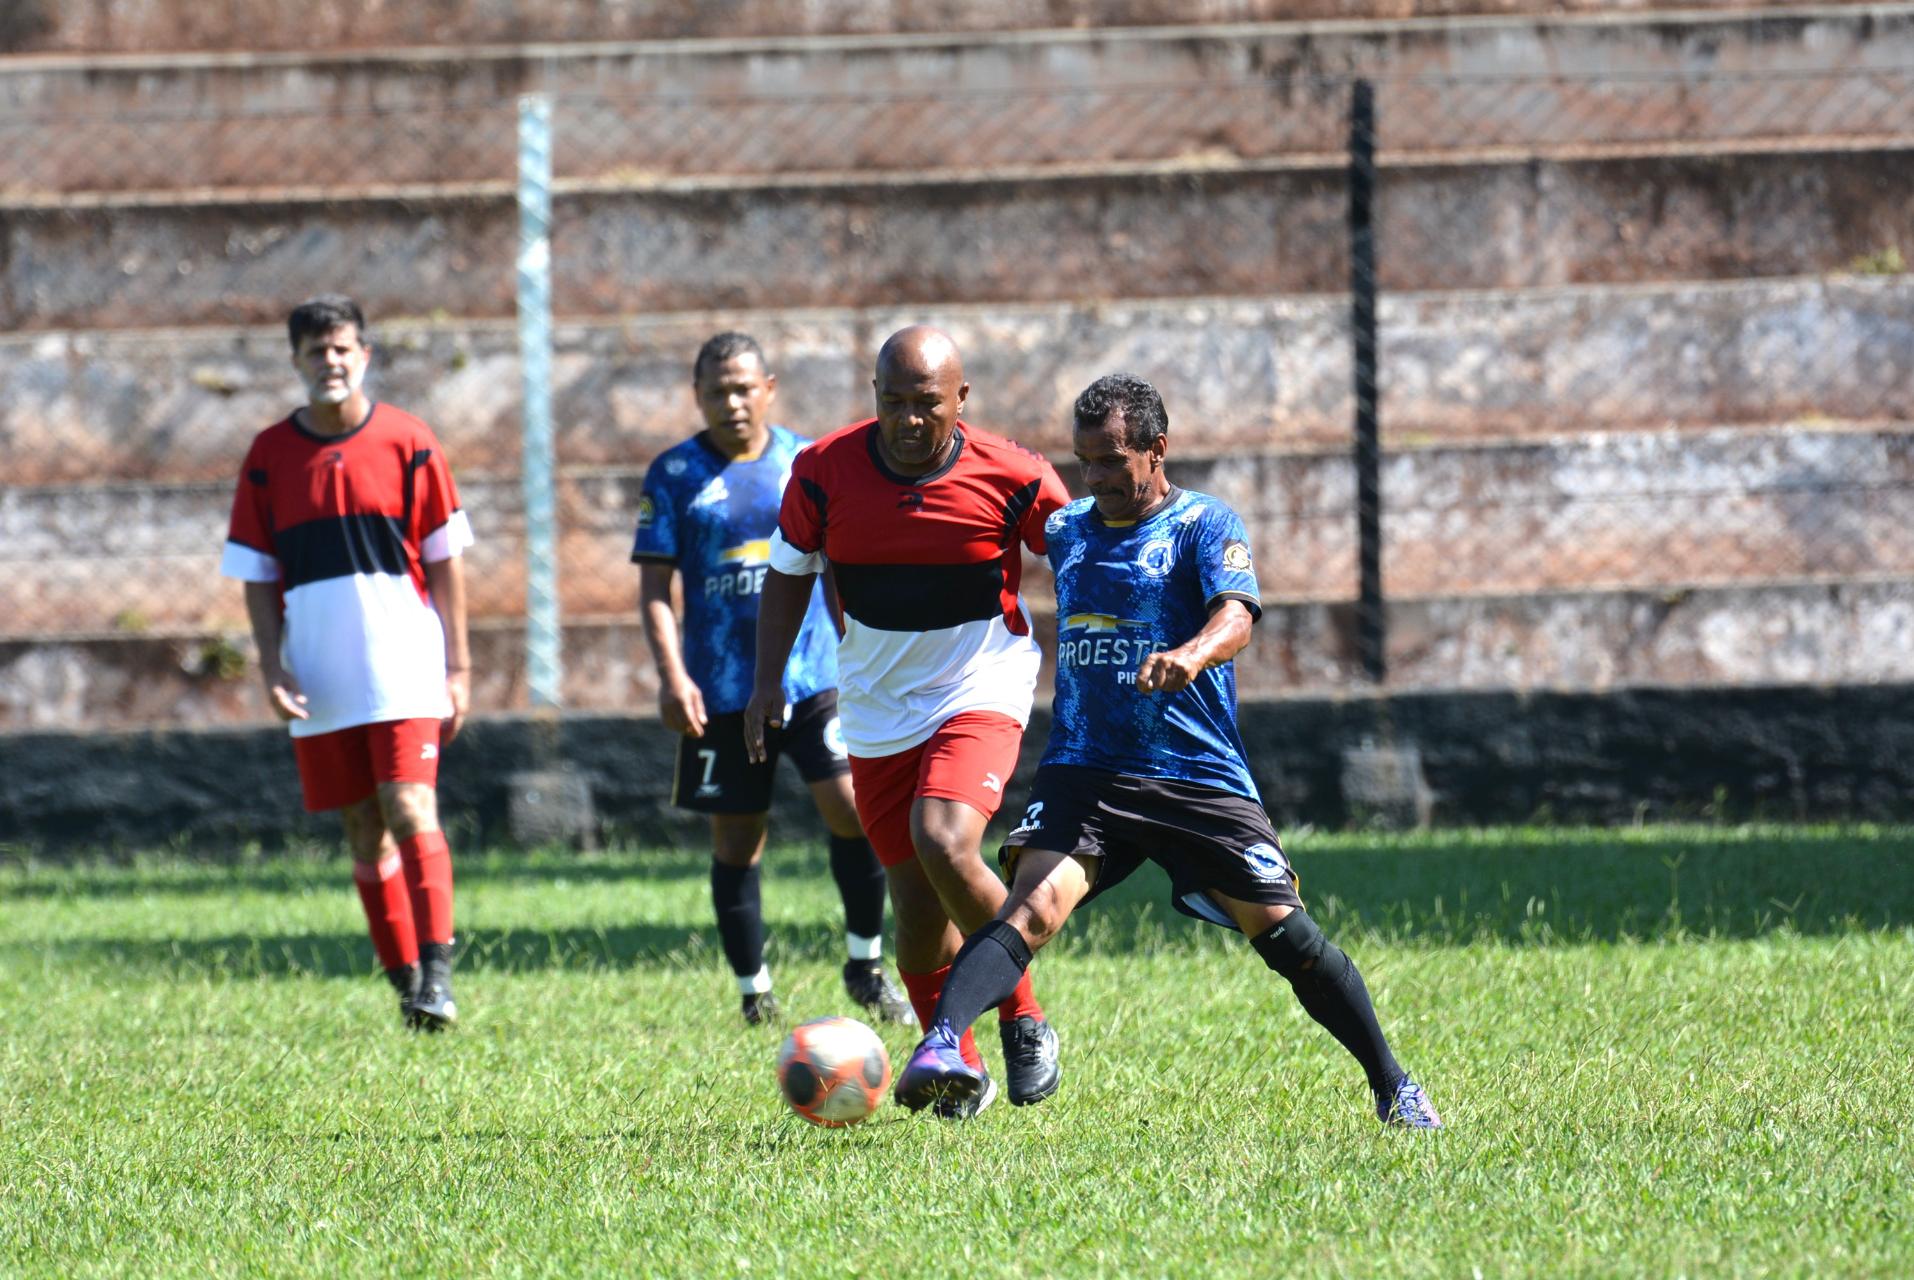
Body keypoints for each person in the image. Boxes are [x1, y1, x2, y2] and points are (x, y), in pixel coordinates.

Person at [893, 373, 1442, 1128]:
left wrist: (1192, 653)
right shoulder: (1069, 529)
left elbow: (1239, 614)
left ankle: (1394, 1084)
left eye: (1113, 461)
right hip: (1088, 769)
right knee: (1032, 910)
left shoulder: (1203, 525)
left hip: (1194, 774)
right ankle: (945, 1043)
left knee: (1286, 936)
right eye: (1085, 462)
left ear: (1157, 450)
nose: (1095, 480)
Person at [746, 325, 1073, 1116]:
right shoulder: (823, 472)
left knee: (944, 840)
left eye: (926, 403)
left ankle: (1023, 1019)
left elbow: (1084, 562)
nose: (908, 419)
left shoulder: (1016, 475)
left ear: (961, 400)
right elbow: (788, 575)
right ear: (875, 399)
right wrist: (767, 686)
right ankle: (954, 1063)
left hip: (980, 681)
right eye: (892, 402)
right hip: (876, 699)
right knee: (916, 902)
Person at [633, 332, 913, 1027]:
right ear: (697, 396)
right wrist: (673, 678)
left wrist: (866, 649)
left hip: (813, 674)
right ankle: (754, 991)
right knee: (737, 840)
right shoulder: (673, 477)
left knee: (853, 810)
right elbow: (654, 590)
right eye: (716, 390)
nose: (731, 402)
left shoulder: (806, 462)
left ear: (769, 388)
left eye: (742, 387)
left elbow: (846, 563)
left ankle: (865, 965)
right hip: (722, 689)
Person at [220, 295, 471, 1030]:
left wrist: (458, 669)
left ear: (364, 355)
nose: (330, 362)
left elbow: (447, 563)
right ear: (296, 361)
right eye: (314, 351)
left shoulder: (408, 440)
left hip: (405, 663)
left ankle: (440, 972)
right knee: (363, 828)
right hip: (319, 672)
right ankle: (407, 987)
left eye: (342, 349)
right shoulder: (270, 456)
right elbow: (258, 575)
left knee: (408, 806)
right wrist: (272, 666)